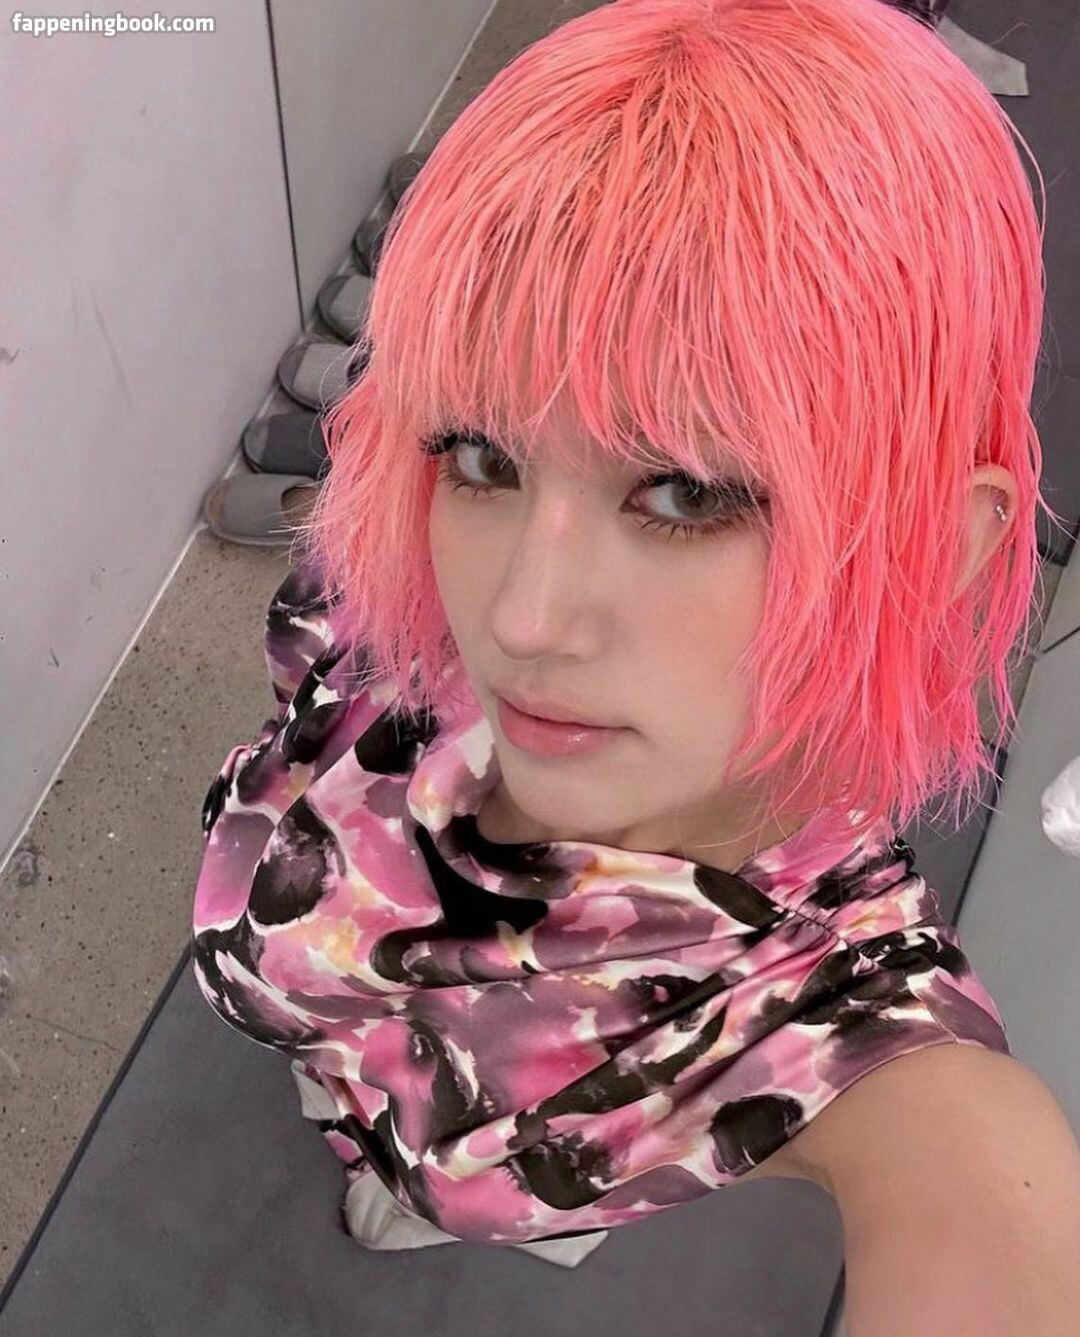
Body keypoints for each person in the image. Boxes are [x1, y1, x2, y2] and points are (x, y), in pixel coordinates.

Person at [192, 0, 1080, 1318]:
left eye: (684, 494)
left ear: (937, 544)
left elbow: (983, 1198)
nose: (522, 618)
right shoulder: (409, 597)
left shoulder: (844, 1028)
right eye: (482, 454)